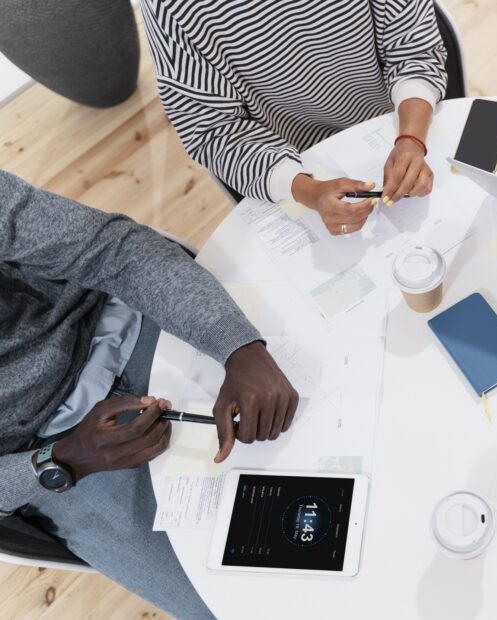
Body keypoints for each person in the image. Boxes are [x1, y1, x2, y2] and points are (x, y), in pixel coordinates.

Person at [0, 170, 300, 619]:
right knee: (241, 606)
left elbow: (110, 249)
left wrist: (236, 344)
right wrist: (61, 460)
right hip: (55, 452)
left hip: (119, 324)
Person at [141, 0, 449, 236]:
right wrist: (308, 190)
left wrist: (410, 137)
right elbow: (214, 131)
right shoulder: (170, 8)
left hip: (393, 121)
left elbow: (414, 47)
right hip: (288, 163)